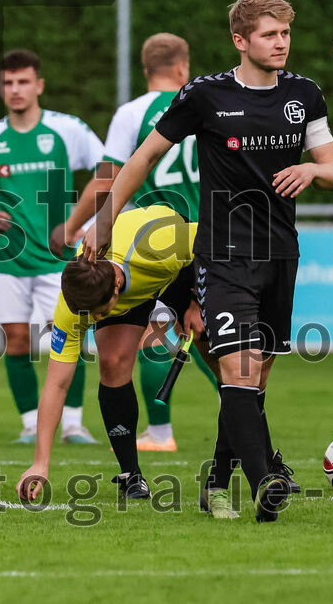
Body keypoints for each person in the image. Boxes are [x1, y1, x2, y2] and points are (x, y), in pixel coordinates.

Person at [82, 0, 333, 522]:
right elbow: (145, 156)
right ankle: (267, 480)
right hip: (222, 258)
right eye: (269, 34)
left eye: (286, 33)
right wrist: (104, 219)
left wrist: (314, 171)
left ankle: (218, 480)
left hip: (280, 256)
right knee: (239, 371)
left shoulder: (305, 94)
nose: (281, 44)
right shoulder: (205, 95)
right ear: (240, 40)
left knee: (254, 382)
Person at [56, 32, 217, 453]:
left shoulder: (131, 113)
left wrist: (73, 225)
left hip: (148, 237)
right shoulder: (208, 99)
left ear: (146, 71)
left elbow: (108, 178)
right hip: (205, 231)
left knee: (151, 335)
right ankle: (235, 402)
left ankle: (160, 433)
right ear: (183, 67)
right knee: (203, 332)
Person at [0, 49, 104, 445]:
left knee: (67, 336)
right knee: (16, 340)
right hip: (8, 259)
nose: (15, 89)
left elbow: (109, 172)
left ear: (39, 85)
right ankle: (30, 422)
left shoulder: (67, 130)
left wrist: (84, 226)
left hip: (59, 258)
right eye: (7, 83)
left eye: (22, 81)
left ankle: (72, 423)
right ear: (1, 89)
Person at [16, 205, 208, 503]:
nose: (93, 322)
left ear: (116, 289)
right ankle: (132, 475)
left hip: (178, 265)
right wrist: (41, 462)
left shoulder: (162, 244)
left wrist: (196, 301)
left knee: (221, 357)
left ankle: (263, 461)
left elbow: (213, 239)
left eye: (99, 314)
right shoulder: (73, 305)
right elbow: (56, 384)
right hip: (129, 279)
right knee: (113, 362)